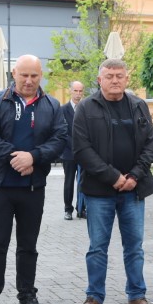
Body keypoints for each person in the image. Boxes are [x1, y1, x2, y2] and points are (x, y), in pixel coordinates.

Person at [0, 54, 68, 304]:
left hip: (33, 187)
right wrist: (17, 157)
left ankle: (26, 297)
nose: (29, 81)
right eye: (24, 75)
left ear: (41, 76)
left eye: (34, 76)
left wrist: (35, 157)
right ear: (14, 73)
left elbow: (60, 139)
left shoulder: (51, 105)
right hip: (1, 187)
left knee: (28, 246)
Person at [72, 58, 153, 304]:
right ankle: (94, 297)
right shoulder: (86, 108)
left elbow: (150, 145)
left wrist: (133, 176)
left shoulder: (138, 106)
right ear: (99, 80)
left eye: (120, 75)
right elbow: (81, 150)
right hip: (99, 192)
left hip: (133, 189)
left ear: (127, 78)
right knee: (97, 246)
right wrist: (113, 177)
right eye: (109, 76)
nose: (115, 80)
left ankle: (136, 295)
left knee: (134, 246)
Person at [60, 81, 85, 220]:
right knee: (69, 182)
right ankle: (67, 209)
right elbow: (63, 132)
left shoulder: (86, 108)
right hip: (69, 152)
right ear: (70, 91)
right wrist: (76, 145)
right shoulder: (63, 110)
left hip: (84, 153)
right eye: (75, 91)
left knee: (83, 181)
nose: (78, 94)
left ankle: (81, 208)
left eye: (80, 91)